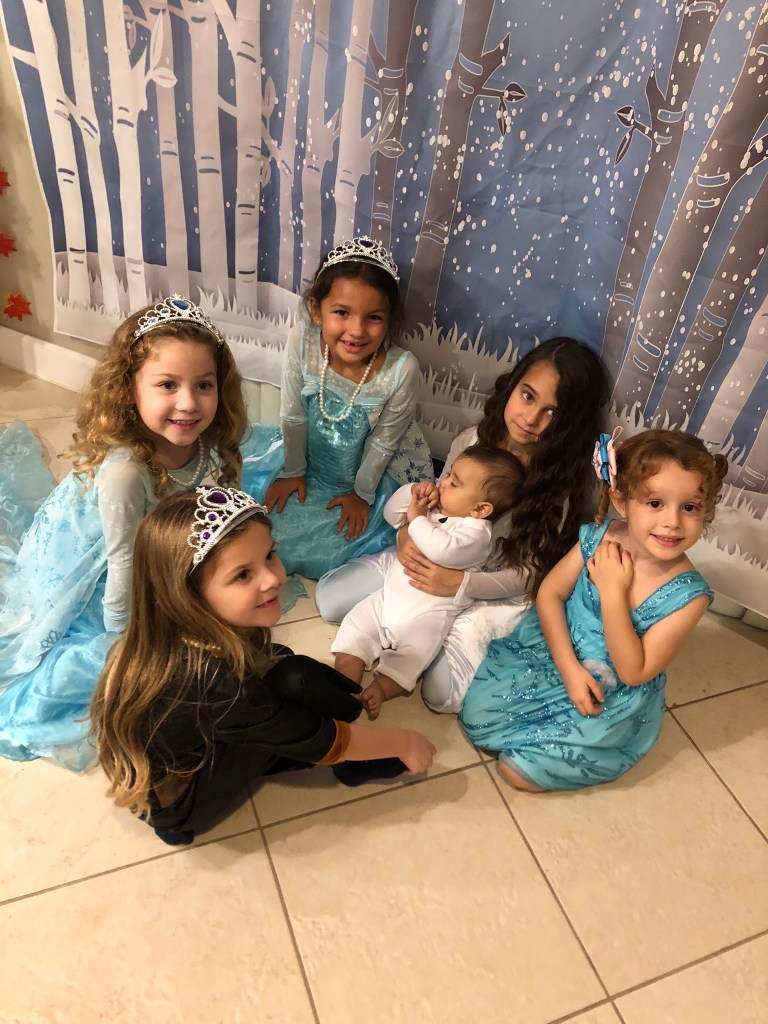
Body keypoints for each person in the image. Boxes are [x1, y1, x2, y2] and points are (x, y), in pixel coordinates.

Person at [91, 487, 437, 846]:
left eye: (270, 555)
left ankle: (347, 722)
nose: (272, 578)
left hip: (181, 753)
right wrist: (404, 741)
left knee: (289, 670)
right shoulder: (215, 683)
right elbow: (312, 737)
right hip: (179, 799)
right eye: (242, 575)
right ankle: (352, 755)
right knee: (288, 707)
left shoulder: (168, 629)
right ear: (189, 595)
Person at [0, 295, 246, 770]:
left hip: (154, 546)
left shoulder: (208, 446)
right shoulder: (126, 472)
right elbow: (124, 564)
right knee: (136, 668)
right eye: (167, 385)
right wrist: (126, 640)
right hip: (103, 574)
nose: (189, 404)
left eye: (204, 385)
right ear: (130, 390)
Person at [316, 336, 608, 714]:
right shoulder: (472, 441)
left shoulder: (558, 485)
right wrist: (406, 535)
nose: (531, 418)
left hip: (486, 586)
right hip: (434, 551)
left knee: (438, 694)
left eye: (553, 411)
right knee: (331, 601)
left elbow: (529, 574)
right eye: (528, 396)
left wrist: (461, 584)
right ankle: (399, 633)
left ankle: (420, 643)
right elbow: (436, 503)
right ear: (513, 384)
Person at [460, 429, 728, 791]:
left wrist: (613, 593)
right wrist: (569, 669)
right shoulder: (600, 536)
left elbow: (635, 671)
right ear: (621, 499)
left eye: (690, 507)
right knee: (476, 720)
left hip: (611, 694)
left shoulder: (689, 597)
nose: (672, 522)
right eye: (654, 503)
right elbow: (549, 596)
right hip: (556, 652)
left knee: (515, 771)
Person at [241, 236, 433, 580]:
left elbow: (383, 444)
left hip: (367, 476)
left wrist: (361, 495)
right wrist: (293, 471)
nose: (356, 331)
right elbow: (293, 415)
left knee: (335, 545)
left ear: (389, 319)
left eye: (373, 317)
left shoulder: (401, 369)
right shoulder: (303, 339)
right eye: (342, 313)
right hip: (306, 463)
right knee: (263, 527)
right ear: (317, 310)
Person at [333, 445, 524, 719]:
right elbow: (391, 514)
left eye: (454, 483)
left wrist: (416, 519)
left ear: (480, 509)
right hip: (389, 598)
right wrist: (411, 495)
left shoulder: (476, 535)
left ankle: (380, 690)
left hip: (427, 615)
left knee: (414, 657)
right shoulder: (437, 509)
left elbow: (440, 548)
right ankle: (344, 684)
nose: (443, 482)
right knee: (356, 626)